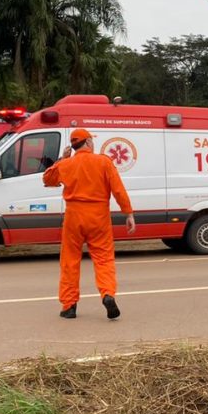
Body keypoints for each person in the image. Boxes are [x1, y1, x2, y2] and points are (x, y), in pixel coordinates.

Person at [43, 128, 136, 319]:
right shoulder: (103, 162)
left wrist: (62, 159)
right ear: (87, 143)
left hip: (73, 217)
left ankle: (69, 306)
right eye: (91, 141)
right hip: (99, 217)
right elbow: (118, 190)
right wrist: (128, 213)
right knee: (103, 259)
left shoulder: (67, 164)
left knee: (70, 260)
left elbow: (48, 179)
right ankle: (108, 294)